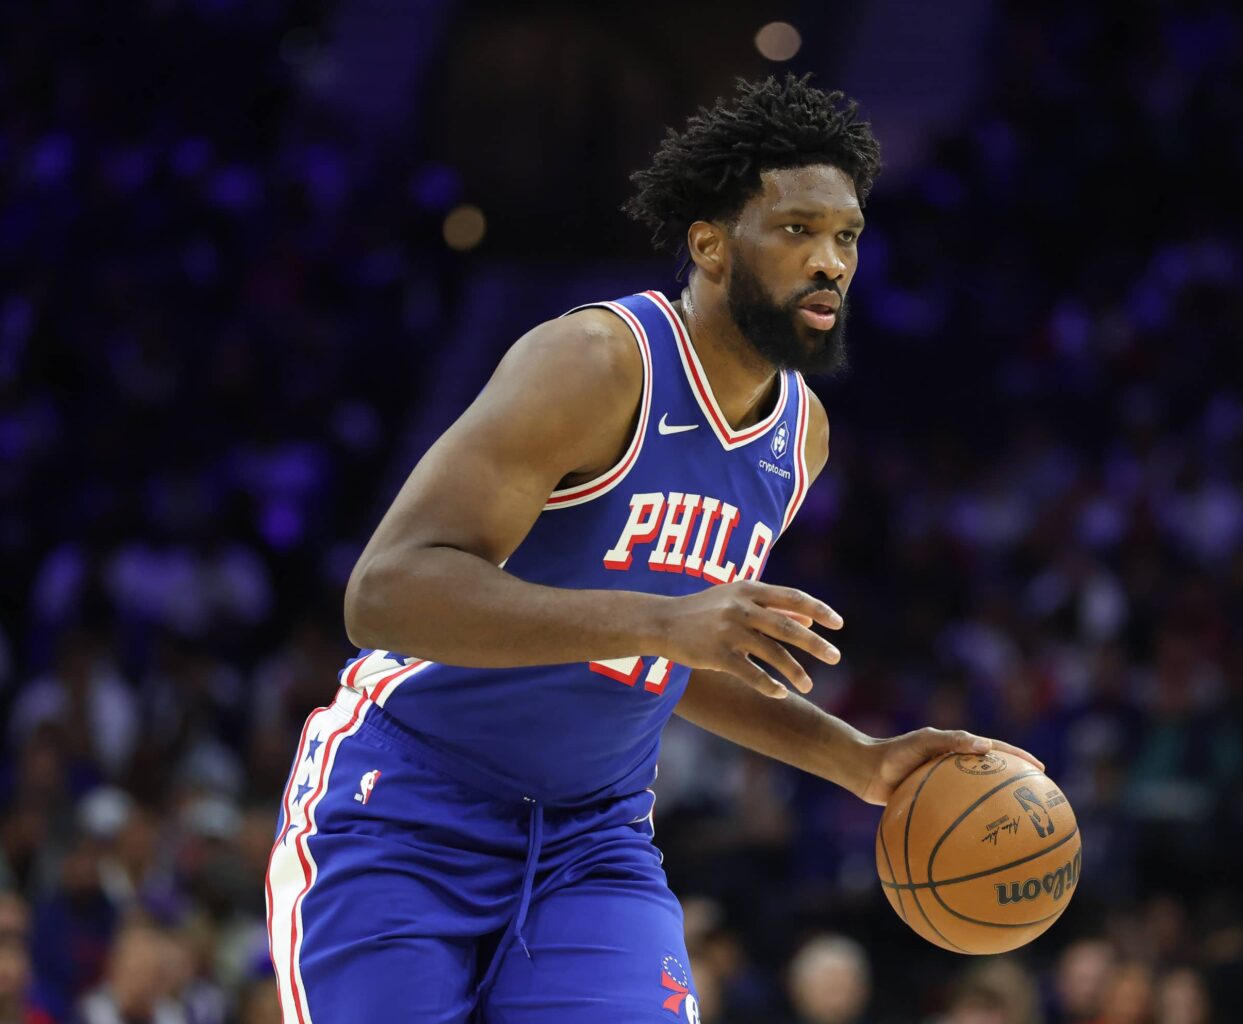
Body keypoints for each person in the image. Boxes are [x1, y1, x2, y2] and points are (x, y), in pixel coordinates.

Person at [264, 74, 1039, 1023]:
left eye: (846, 237)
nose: (830, 261)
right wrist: (668, 621)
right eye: (796, 229)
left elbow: (682, 656)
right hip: (407, 806)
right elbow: (385, 594)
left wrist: (858, 763)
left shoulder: (801, 437)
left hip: (596, 837)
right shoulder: (597, 363)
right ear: (711, 245)